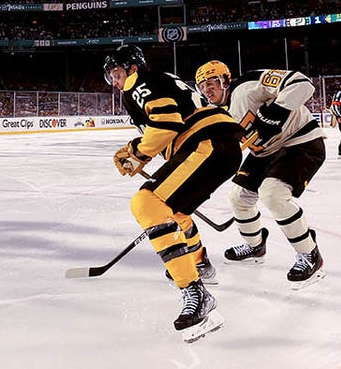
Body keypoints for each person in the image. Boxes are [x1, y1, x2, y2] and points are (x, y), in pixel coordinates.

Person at [104, 45, 244, 343]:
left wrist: (137, 152)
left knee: (147, 202)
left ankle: (195, 294)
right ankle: (200, 263)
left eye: (116, 73)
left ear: (131, 68)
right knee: (176, 213)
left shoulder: (137, 82)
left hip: (206, 142)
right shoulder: (160, 81)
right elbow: (169, 126)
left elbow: (167, 124)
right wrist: (137, 155)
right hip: (217, 144)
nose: (115, 82)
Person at [194, 61, 327, 289]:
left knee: (273, 194)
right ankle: (255, 246)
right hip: (264, 152)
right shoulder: (215, 114)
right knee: (238, 197)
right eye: (202, 86)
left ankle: (310, 255)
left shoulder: (248, 85)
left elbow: (302, 83)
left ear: (225, 80)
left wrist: (277, 111)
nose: (207, 89)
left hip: (301, 141)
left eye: (212, 83)